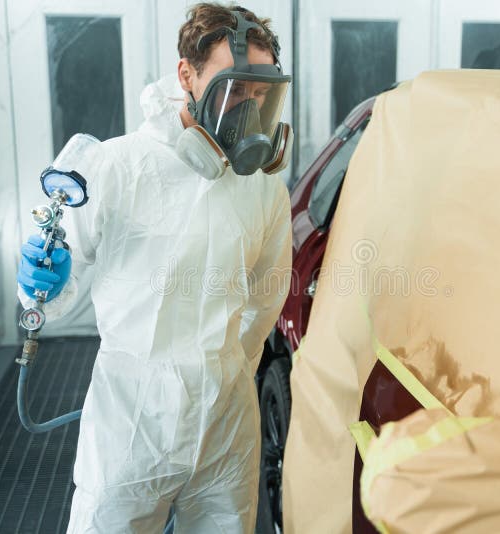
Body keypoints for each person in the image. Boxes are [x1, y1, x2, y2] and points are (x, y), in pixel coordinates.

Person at [16, 3, 293, 532]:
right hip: (130, 421)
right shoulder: (118, 166)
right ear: (186, 75)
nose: (249, 108)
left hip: (225, 423)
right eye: (235, 89)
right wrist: (40, 285)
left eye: (262, 94)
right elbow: (55, 290)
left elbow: (266, 293)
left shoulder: (262, 186)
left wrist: (229, 367)